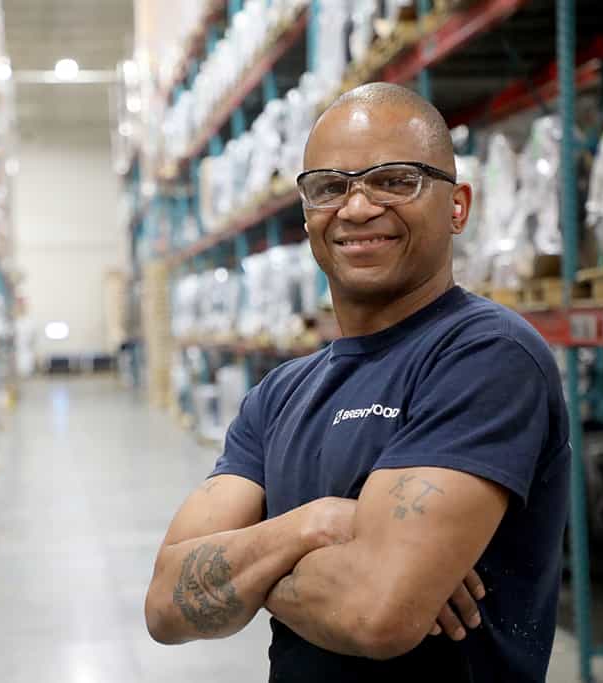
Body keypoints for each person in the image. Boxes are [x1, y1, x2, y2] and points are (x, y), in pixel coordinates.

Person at [144, 82, 570, 682]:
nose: (358, 208)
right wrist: (315, 523)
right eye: (330, 187)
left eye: (395, 180)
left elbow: (376, 613)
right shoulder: (278, 396)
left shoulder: (486, 356)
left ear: (458, 205)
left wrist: (248, 571)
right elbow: (166, 604)